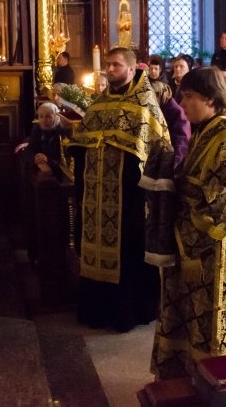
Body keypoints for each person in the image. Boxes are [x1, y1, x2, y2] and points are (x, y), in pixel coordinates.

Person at [151, 68, 226, 380]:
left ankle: (211, 384)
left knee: (208, 325)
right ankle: (184, 379)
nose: (182, 104)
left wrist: (189, 243)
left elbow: (224, 208)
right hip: (190, 246)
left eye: (189, 97)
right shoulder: (204, 133)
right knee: (186, 320)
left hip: (212, 252)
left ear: (210, 99)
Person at [66, 47, 174, 332]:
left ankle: (128, 312)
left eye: (116, 65)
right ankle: (96, 310)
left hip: (130, 199)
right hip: (96, 197)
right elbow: (80, 144)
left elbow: (160, 149)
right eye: (108, 65)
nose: (110, 69)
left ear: (131, 68)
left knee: (128, 249)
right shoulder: (99, 104)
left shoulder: (144, 104)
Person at [14, 101, 68, 178]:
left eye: (48, 116)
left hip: (58, 170)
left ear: (56, 117)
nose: (44, 120)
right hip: (41, 166)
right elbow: (30, 149)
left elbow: (64, 160)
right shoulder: (38, 129)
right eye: (41, 116)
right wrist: (36, 159)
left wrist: (47, 160)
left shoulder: (62, 132)